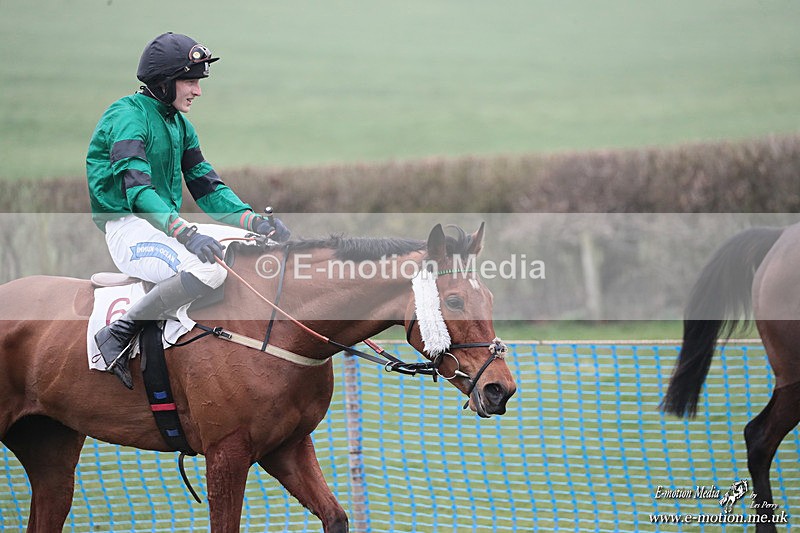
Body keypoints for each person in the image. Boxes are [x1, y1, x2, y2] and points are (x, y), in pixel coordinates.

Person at [86, 32, 290, 389]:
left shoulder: (181, 125)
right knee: (208, 268)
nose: (198, 91)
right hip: (129, 228)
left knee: (257, 247)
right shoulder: (126, 117)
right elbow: (138, 192)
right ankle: (119, 332)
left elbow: (208, 188)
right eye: (191, 81)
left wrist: (255, 222)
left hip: (164, 224)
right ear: (165, 83)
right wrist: (185, 232)